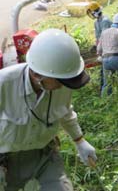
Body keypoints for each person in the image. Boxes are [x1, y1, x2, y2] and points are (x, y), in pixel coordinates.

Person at [0, 29, 97, 191]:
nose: (64, 85)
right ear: (38, 74)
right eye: (60, 80)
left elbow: (65, 111)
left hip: (44, 154)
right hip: (5, 159)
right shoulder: (4, 84)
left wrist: (80, 141)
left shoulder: (62, 82)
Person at [86, 1, 112, 92]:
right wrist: (95, 46)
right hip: (102, 50)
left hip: (109, 50)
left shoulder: (105, 21)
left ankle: (106, 96)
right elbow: (98, 37)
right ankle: (102, 91)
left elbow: (105, 37)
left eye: (91, 13)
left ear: (95, 12)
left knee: (107, 77)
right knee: (102, 74)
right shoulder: (96, 23)